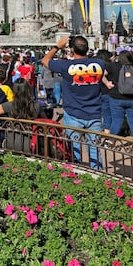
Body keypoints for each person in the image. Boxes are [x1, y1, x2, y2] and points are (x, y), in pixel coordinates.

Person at [41, 35, 104, 169]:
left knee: (74, 152)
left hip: (73, 113)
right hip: (94, 114)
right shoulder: (99, 64)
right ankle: (99, 180)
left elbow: (45, 60)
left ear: (71, 50)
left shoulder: (66, 66)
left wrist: (57, 46)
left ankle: (75, 176)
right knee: (95, 152)